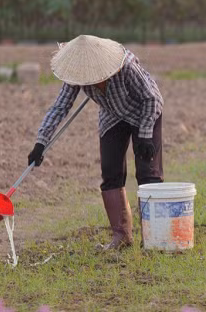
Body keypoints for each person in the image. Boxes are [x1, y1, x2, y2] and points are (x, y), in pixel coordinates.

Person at [29, 34, 164, 250]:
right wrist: (41, 142)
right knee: (110, 172)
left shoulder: (126, 66)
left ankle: (155, 238)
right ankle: (122, 237)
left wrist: (146, 134)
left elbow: (152, 98)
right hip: (112, 116)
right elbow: (60, 107)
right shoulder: (76, 75)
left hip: (144, 112)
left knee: (148, 172)